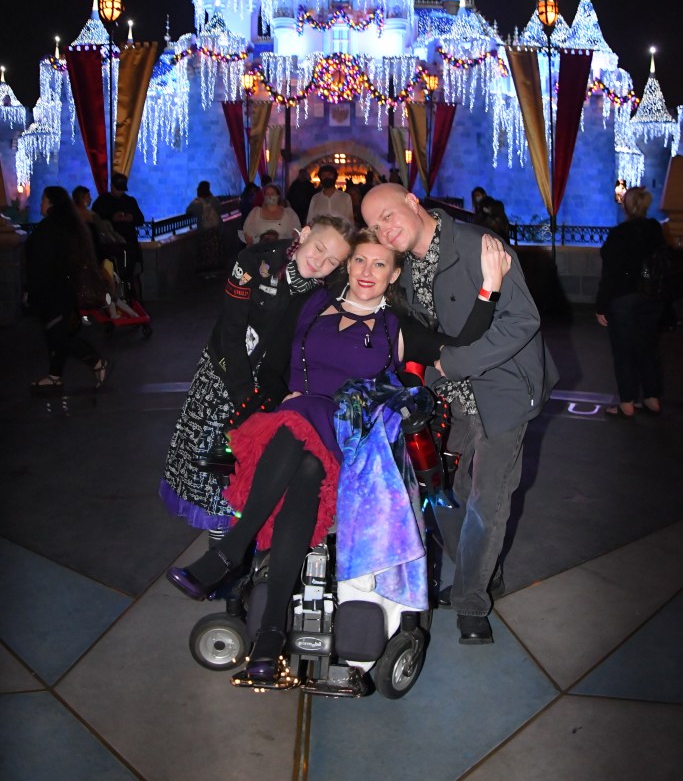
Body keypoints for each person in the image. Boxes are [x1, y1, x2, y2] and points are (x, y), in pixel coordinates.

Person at [166, 228, 511, 683]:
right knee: (303, 464)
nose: (367, 272)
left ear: (394, 274)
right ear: (348, 266)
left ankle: (231, 550)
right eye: (360, 261)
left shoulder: (397, 328)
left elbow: (463, 344)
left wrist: (489, 288)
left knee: (307, 415)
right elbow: (269, 364)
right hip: (291, 440)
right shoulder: (309, 306)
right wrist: (269, 397)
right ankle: (269, 637)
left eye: (379, 265)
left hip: (351, 442)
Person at [361, 183, 558, 645]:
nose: (385, 231)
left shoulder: (478, 246)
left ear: (413, 202)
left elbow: (522, 320)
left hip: (503, 391)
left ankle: (472, 601)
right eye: (374, 227)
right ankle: (483, 573)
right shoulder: (403, 265)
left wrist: (452, 364)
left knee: (488, 498)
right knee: (445, 493)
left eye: (389, 216)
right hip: (448, 399)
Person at [159, 215, 356, 538]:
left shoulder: (321, 291)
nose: (321, 261)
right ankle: (220, 560)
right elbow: (231, 334)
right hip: (225, 378)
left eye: (332, 260)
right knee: (217, 470)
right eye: (319, 248)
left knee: (252, 472)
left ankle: (236, 555)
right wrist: (242, 400)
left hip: (268, 387)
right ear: (304, 234)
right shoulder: (255, 261)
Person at [26, 186, 113, 392]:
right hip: (63, 288)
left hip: (54, 290)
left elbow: (45, 260)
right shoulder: (68, 226)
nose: (40, 204)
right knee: (55, 333)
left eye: (43, 200)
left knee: (58, 336)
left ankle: (97, 363)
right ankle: (55, 375)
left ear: (52, 203)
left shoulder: (51, 228)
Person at [595, 186, 666, 418]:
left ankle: (627, 402)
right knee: (647, 348)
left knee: (624, 350)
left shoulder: (621, 234)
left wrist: (601, 306)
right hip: (651, 296)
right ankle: (652, 397)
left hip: (623, 299)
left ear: (626, 206)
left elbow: (610, 273)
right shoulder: (655, 230)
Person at [92, 172, 145, 300]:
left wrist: (131, 218)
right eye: (118, 189)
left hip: (129, 244)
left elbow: (140, 219)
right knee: (113, 277)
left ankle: (135, 303)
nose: (120, 193)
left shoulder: (129, 201)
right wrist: (112, 219)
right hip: (111, 246)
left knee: (132, 275)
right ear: (111, 186)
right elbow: (95, 220)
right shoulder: (102, 201)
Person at [186, 180, 223, 273]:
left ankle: (206, 272)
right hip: (214, 229)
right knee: (215, 250)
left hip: (204, 230)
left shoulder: (196, 203)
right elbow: (220, 210)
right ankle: (216, 270)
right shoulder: (214, 200)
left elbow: (188, 211)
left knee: (205, 251)